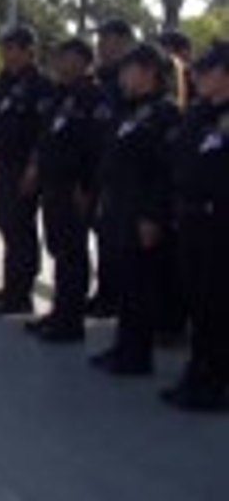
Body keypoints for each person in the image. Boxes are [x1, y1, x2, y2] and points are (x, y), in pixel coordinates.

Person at [90, 43, 182, 377]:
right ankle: (123, 346)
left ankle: (136, 357)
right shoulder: (129, 110)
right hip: (118, 207)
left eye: (129, 70)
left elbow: (165, 170)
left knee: (141, 286)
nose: (123, 77)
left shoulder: (165, 113)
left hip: (142, 212)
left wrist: (153, 216)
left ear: (149, 73)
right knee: (125, 284)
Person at [27, 38, 110, 344]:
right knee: (59, 249)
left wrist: (87, 187)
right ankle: (60, 311)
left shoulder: (94, 97)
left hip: (75, 189)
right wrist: (36, 168)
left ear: (81, 61)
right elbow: (47, 137)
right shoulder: (61, 95)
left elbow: (96, 147)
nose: (59, 63)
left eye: (65, 57)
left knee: (73, 253)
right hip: (54, 185)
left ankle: (70, 322)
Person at [163, 42, 229, 411]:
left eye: (207, 70)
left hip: (220, 222)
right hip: (191, 218)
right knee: (199, 303)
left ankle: (216, 382)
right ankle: (198, 371)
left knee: (219, 305)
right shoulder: (199, 113)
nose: (198, 75)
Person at [0, 26, 56, 315]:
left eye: (11, 48)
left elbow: (43, 133)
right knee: (7, 226)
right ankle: (10, 286)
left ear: (28, 51)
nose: (6, 54)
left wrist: (34, 169)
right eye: (4, 48)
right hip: (2, 167)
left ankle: (21, 294)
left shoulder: (41, 85)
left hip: (24, 170)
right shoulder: (4, 81)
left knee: (21, 230)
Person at [88, 19, 138, 318]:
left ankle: (114, 299)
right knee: (103, 237)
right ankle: (105, 294)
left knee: (117, 240)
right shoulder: (101, 77)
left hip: (122, 174)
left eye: (107, 39)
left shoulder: (129, 78)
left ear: (123, 41)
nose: (101, 45)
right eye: (101, 39)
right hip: (97, 168)